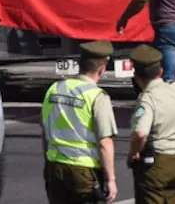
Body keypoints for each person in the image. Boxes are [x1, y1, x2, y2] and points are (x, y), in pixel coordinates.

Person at [42, 41, 119, 203]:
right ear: (102, 69)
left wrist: (48, 161)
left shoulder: (55, 88)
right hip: (83, 170)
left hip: (55, 166)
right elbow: (105, 141)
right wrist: (111, 179)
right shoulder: (97, 96)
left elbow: (45, 130)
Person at [128, 45, 175, 203]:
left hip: (156, 164)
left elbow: (140, 133)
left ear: (136, 77)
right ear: (161, 71)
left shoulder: (147, 99)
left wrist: (134, 152)